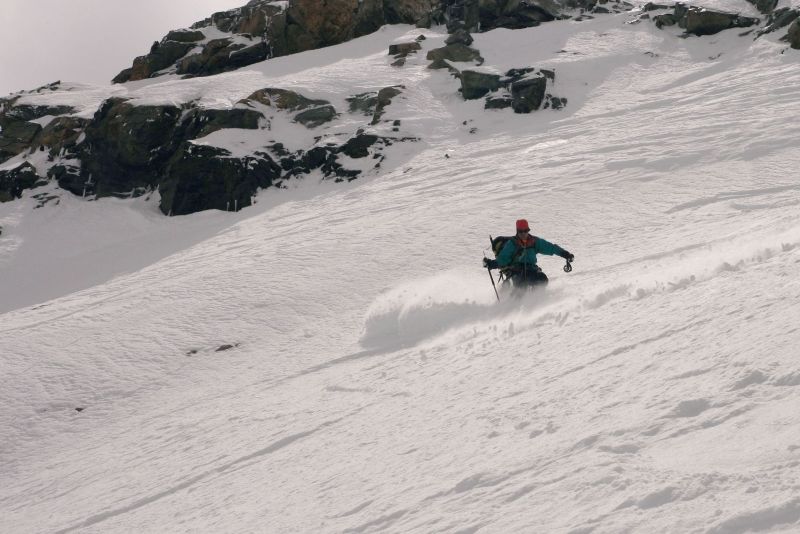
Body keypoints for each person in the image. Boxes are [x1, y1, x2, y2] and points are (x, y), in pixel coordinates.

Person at [483, 219, 574, 290]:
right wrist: (491, 264)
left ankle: (536, 303)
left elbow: (551, 248)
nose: (523, 233)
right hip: (516, 272)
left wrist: (565, 254)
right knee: (521, 288)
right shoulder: (512, 244)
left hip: (532, 270)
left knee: (542, 280)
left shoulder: (534, 242)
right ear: (517, 231)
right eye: (521, 231)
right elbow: (503, 259)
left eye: (525, 231)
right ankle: (512, 307)